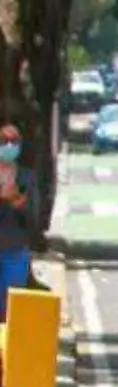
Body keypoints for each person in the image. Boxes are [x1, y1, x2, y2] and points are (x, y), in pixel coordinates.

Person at [0, 124, 39, 320]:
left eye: (13, 141)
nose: (8, 146)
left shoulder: (27, 177)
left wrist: (17, 203)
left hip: (15, 251)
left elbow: (34, 217)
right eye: (3, 140)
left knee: (10, 309)